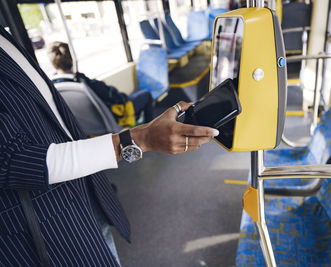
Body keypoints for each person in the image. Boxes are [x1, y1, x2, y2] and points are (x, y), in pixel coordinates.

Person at [0, 26, 218, 266]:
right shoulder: (85, 81)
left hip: (88, 192)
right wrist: (141, 138)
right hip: (48, 229)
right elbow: (12, 159)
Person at [49, 41, 153, 126]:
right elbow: (116, 97)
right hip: (110, 120)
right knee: (145, 94)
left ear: (53, 64)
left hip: (85, 126)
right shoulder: (87, 84)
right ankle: (149, 129)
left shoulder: (53, 87)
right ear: (72, 60)